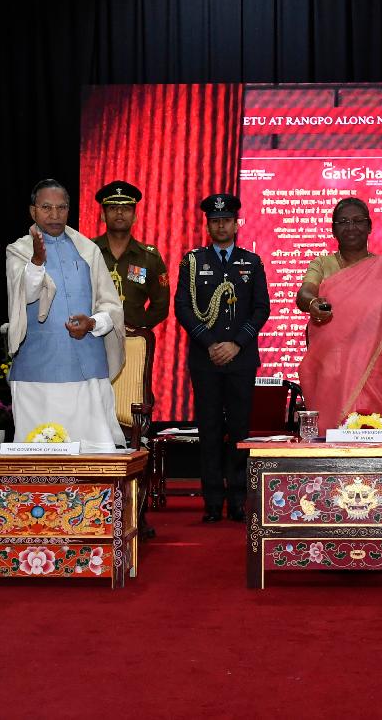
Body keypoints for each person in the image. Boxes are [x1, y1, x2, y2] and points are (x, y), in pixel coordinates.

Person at [296, 198, 382, 437]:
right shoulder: (322, 264)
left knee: (381, 435)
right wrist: (312, 303)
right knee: (331, 438)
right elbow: (304, 293)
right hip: (332, 372)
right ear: (333, 230)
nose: (351, 227)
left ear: (370, 226)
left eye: (358, 221)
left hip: (380, 373)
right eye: (343, 222)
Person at [5, 179, 126, 452]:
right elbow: (26, 295)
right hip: (37, 373)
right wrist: (37, 262)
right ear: (33, 211)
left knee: (94, 456)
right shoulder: (19, 250)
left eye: (61, 208)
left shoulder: (88, 249)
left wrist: (93, 323)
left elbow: (111, 306)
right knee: (39, 455)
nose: (54, 214)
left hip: (88, 369)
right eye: (46, 207)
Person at [174, 194, 270, 522]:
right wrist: (211, 344)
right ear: (208, 225)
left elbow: (261, 308)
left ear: (235, 224)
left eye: (226, 220)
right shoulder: (193, 262)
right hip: (206, 359)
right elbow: (183, 307)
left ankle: (239, 499)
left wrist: (236, 344)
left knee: (240, 430)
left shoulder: (251, 262)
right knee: (210, 429)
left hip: (241, 359)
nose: (221, 226)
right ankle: (213, 501)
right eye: (215, 221)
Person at [91, 179, 170, 330]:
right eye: (113, 208)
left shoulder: (149, 257)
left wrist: (140, 327)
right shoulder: (88, 251)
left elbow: (161, 305)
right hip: (93, 336)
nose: (119, 213)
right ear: (103, 215)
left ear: (135, 217)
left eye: (126, 208)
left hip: (133, 338)